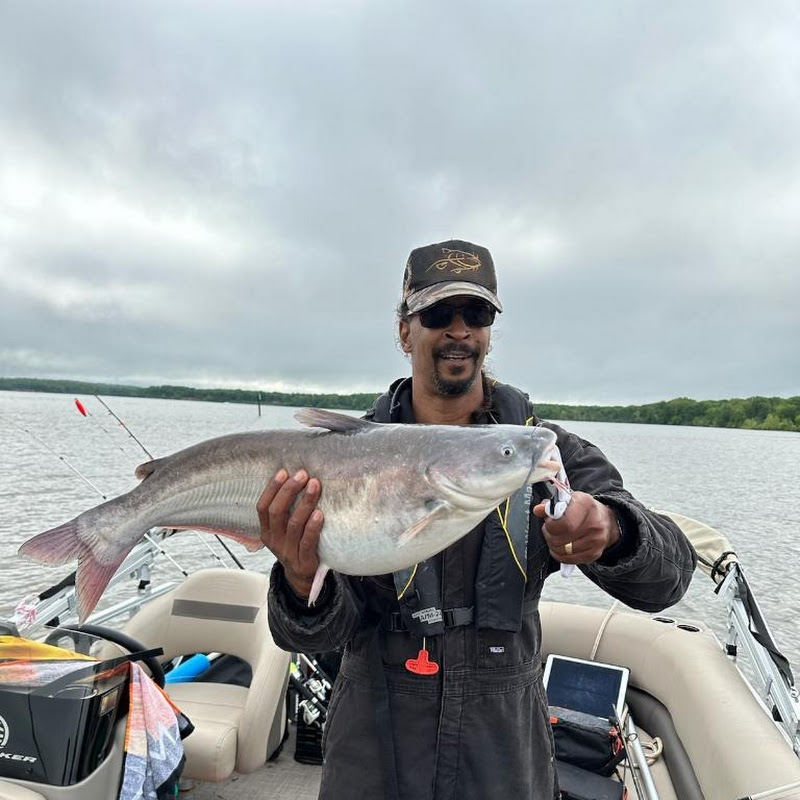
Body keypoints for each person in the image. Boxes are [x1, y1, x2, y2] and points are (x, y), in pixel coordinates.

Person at [258, 239, 697, 800]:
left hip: (504, 752)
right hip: (373, 750)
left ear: (490, 331)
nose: (460, 331)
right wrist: (300, 582)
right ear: (405, 331)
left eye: (477, 314)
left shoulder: (542, 451)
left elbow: (668, 581)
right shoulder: (345, 458)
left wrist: (614, 531)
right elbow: (308, 637)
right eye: (439, 314)